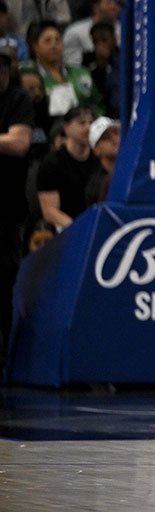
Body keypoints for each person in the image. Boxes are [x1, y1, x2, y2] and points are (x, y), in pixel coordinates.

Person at [0, 48, 33, 346]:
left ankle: (4, 357)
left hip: (7, 209)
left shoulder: (18, 99)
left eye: (4, 68)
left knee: (5, 281)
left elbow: (19, 142)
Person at [35, 104, 98, 231]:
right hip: (64, 229)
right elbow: (50, 211)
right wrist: (79, 229)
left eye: (91, 122)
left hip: (95, 224)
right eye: (82, 123)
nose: (88, 128)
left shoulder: (99, 159)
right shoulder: (51, 163)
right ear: (66, 128)